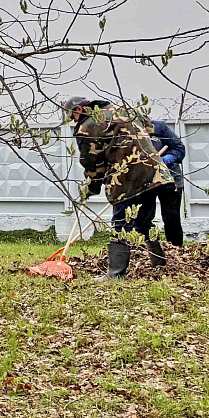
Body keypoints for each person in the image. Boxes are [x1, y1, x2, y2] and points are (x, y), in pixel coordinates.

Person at [66, 96, 173, 280]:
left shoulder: (87, 126)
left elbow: (92, 162)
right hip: (154, 172)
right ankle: (159, 263)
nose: (73, 121)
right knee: (143, 221)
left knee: (121, 225)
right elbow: (149, 129)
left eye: (72, 116)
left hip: (126, 178)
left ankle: (115, 273)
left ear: (78, 110)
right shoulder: (124, 109)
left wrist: (91, 188)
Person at [149, 119, 186, 248]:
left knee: (171, 217)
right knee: (143, 217)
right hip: (146, 180)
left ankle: (176, 249)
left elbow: (179, 148)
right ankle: (149, 250)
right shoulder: (129, 131)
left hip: (170, 178)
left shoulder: (159, 127)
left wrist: (167, 159)